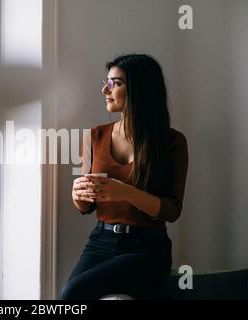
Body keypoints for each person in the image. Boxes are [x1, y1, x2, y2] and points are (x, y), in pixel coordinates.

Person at [60, 54, 189, 300]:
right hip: (100, 241)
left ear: (140, 90)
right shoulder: (94, 136)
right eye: (106, 82)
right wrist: (77, 193)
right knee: (67, 297)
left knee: (73, 292)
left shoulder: (173, 142)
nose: (104, 90)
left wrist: (124, 192)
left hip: (148, 248)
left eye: (115, 83)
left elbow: (172, 210)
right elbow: (85, 207)